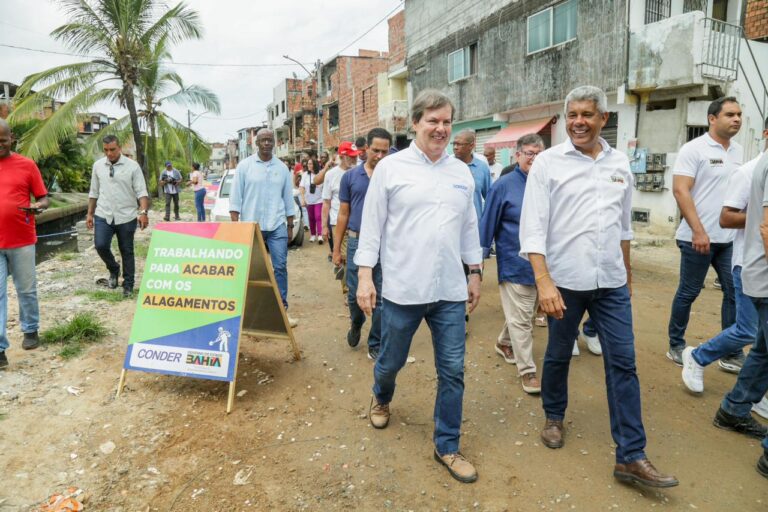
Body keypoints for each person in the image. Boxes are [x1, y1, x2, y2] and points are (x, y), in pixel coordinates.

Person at [519, 85, 678, 488]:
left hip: (610, 283)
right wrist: (544, 283)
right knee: (557, 355)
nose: (578, 122)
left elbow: (623, 225)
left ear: (603, 118)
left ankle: (630, 456)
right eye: (572, 115)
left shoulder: (620, 162)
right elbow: (533, 229)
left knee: (623, 362)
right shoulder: (548, 163)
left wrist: (626, 272)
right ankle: (554, 416)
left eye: (587, 114)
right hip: (565, 282)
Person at [356, 90, 483, 484]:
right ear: (415, 124)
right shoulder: (391, 169)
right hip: (402, 290)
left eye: (447, 122)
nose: (441, 128)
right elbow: (372, 228)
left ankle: (446, 445)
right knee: (391, 361)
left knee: (453, 370)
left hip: (448, 291)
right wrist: (364, 277)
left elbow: (469, 228)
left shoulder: (461, 172)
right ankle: (382, 394)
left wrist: (475, 271)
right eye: (433, 121)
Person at [682, 119, 768, 393]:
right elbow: (726, 218)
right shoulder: (749, 172)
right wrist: (759, 215)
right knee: (747, 330)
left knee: (761, 339)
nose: (737, 119)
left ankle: (749, 398)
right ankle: (697, 356)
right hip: (750, 262)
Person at [667, 97, 744, 369]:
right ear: (712, 118)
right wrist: (698, 231)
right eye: (730, 114)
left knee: (735, 293)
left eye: (739, 115)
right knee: (689, 292)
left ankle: (730, 351)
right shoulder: (693, 149)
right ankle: (676, 344)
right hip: (695, 238)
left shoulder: (739, 151)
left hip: (729, 240)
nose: (736, 119)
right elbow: (680, 190)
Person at [712, 150, 768, 479]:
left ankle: (733, 409)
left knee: (762, 349)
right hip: (761, 274)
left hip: (758, 274)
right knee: (749, 335)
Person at [479, 134, 544, 394]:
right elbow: (487, 224)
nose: (534, 158)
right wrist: (478, 264)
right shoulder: (503, 186)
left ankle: (504, 342)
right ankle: (527, 370)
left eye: (539, 154)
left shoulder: (548, 183)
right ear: (517, 155)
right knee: (524, 319)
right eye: (529, 153)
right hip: (514, 262)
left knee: (524, 313)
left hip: (544, 265)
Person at [229, 129, 298, 327]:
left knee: (280, 267)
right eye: (263, 140)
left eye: (270, 140)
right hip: (252, 225)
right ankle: (248, 312)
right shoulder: (245, 166)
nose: (267, 143)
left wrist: (290, 224)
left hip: (276, 225)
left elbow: (287, 198)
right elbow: (235, 199)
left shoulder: (282, 168)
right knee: (250, 270)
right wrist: (236, 226)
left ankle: (282, 312)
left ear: (274, 143)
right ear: (256, 144)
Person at [334, 128, 391, 361]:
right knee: (354, 294)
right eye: (375, 150)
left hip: (384, 242)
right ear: (365, 148)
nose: (379, 155)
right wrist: (336, 249)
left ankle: (375, 342)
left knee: (382, 294)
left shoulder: (392, 176)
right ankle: (356, 323)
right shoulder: (350, 177)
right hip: (356, 241)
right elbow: (343, 214)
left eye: (384, 152)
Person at [0, 119, 49, 369]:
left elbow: (43, 197)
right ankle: (0, 348)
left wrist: (38, 206)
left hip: (21, 239)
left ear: (12, 138)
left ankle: (30, 329)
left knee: (26, 290)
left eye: (3, 140)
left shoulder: (26, 165)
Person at [87, 135, 149, 298]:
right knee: (100, 245)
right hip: (103, 214)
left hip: (126, 215)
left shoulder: (133, 167)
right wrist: (90, 213)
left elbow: (141, 192)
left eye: (112, 150)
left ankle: (128, 285)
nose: (109, 153)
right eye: (106, 150)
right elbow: (93, 192)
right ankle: (114, 269)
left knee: (127, 251)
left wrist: (143, 213)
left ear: (119, 148)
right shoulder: (98, 166)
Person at [322, 141, 359, 297]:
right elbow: (326, 202)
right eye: (350, 157)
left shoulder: (360, 172)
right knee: (344, 258)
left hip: (356, 222)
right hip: (338, 222)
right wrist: (324, 226)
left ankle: (353, 287)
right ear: (342, 156)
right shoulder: (331, 175)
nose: (354, 160)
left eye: (355, 156)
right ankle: (348, 291)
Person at [299, 158, 324, 243]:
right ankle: (313, 235)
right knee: (311, 218)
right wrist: (303, 199)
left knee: (318, 216)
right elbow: (301, 187)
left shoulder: (320, 174)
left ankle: (320, 235)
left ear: (315, 165)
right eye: (308, 164)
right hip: (309, 200)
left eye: (310, 164)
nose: (308, 165)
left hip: (319, 199)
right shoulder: (305, 175)